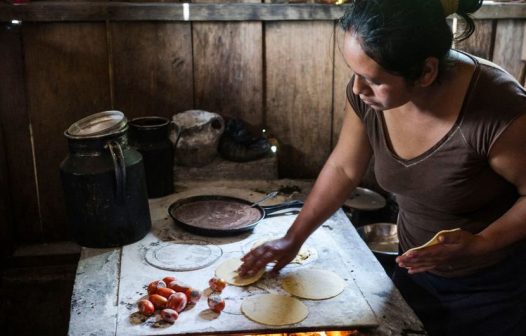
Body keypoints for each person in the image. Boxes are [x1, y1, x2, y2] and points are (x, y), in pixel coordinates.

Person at [238, 0, 526, 335]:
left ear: (426, 72)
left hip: (491, 290)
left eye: (372, 79)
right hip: (414, 273)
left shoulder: (499, 109)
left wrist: (483, 243)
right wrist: (293, 238)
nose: (358, 90)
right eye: (354, 73)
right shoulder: (369, 97)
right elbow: (345, 167)